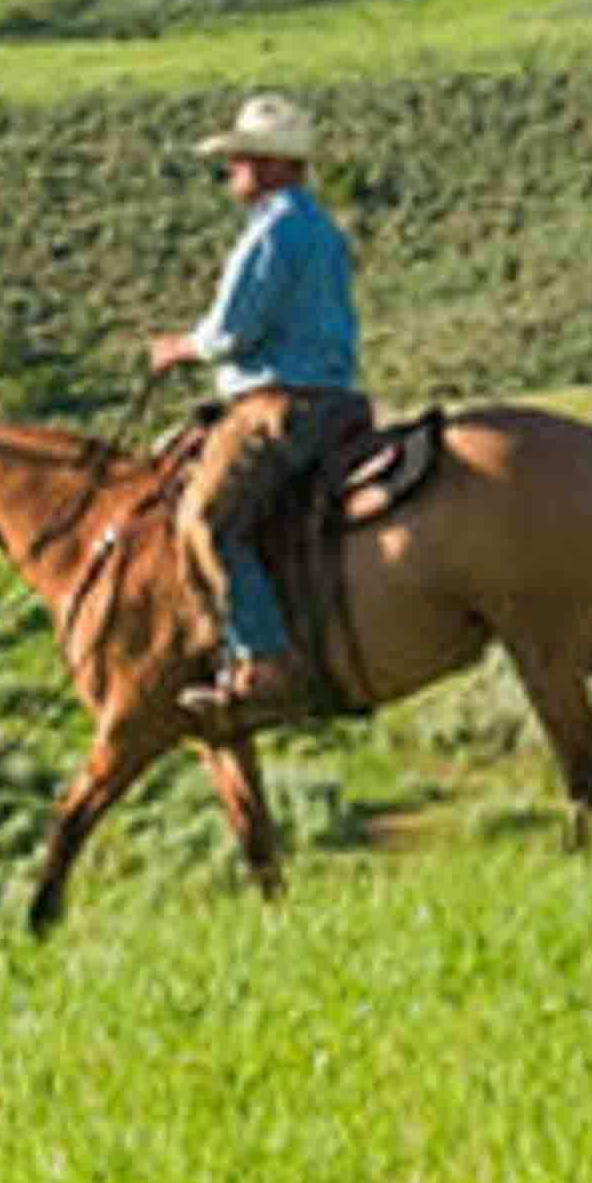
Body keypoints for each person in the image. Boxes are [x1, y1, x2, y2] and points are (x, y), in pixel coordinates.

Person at [145, 93, 368, 720]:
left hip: (278, 405)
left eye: (240, 159)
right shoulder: (319, 227)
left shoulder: (273, 231)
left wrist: (178, 348)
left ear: (270, 166)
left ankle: (265, 661)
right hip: (336, 400)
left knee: (205, 521)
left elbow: (230, 334)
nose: (232, 171)